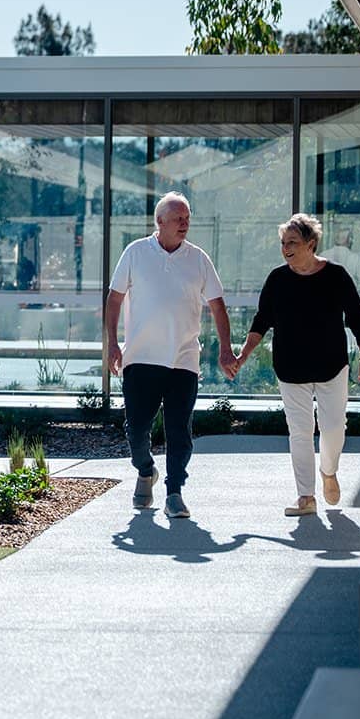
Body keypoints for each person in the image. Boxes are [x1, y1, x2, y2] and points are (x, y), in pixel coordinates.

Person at [105, 192, 237, 519]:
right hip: (140, 357)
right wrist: (112, 343)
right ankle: (145, 469)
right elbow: (114, 298)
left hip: (183, 359)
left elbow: (217, 305)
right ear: (160, 221)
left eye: (187, 218)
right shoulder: (135, 252)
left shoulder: (198, 259)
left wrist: (225, 349)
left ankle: (174, 492)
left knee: (179, 430)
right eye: (178, 218)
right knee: (136, 429)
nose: (185, 223)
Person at [233, 213, 360, 517]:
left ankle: (329, 471)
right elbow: (262, 320)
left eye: (292, 242)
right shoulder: (277, 279)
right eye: (283, 243)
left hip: (332, 366)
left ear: (311, 244)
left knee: (333, 429)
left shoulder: (336, 275)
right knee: (300, 431)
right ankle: (306, 497)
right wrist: (243, 355)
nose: (286, 248)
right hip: (290, 368)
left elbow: (358, 319)